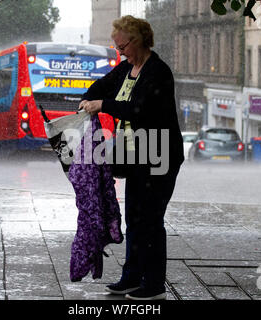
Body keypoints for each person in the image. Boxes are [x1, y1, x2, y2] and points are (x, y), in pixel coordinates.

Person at [79, 15, 184, 300]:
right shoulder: (127, 68)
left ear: (137, 41)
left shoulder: (157, 72)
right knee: (135, 218)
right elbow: (102, 85)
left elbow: (138, 109)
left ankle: (154, 285)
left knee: (151, 219)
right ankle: (131, 277)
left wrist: (103, 105)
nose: (119, 51)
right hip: (137, 156)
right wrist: (86, 99)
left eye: (121, 45)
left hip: (160, 154)